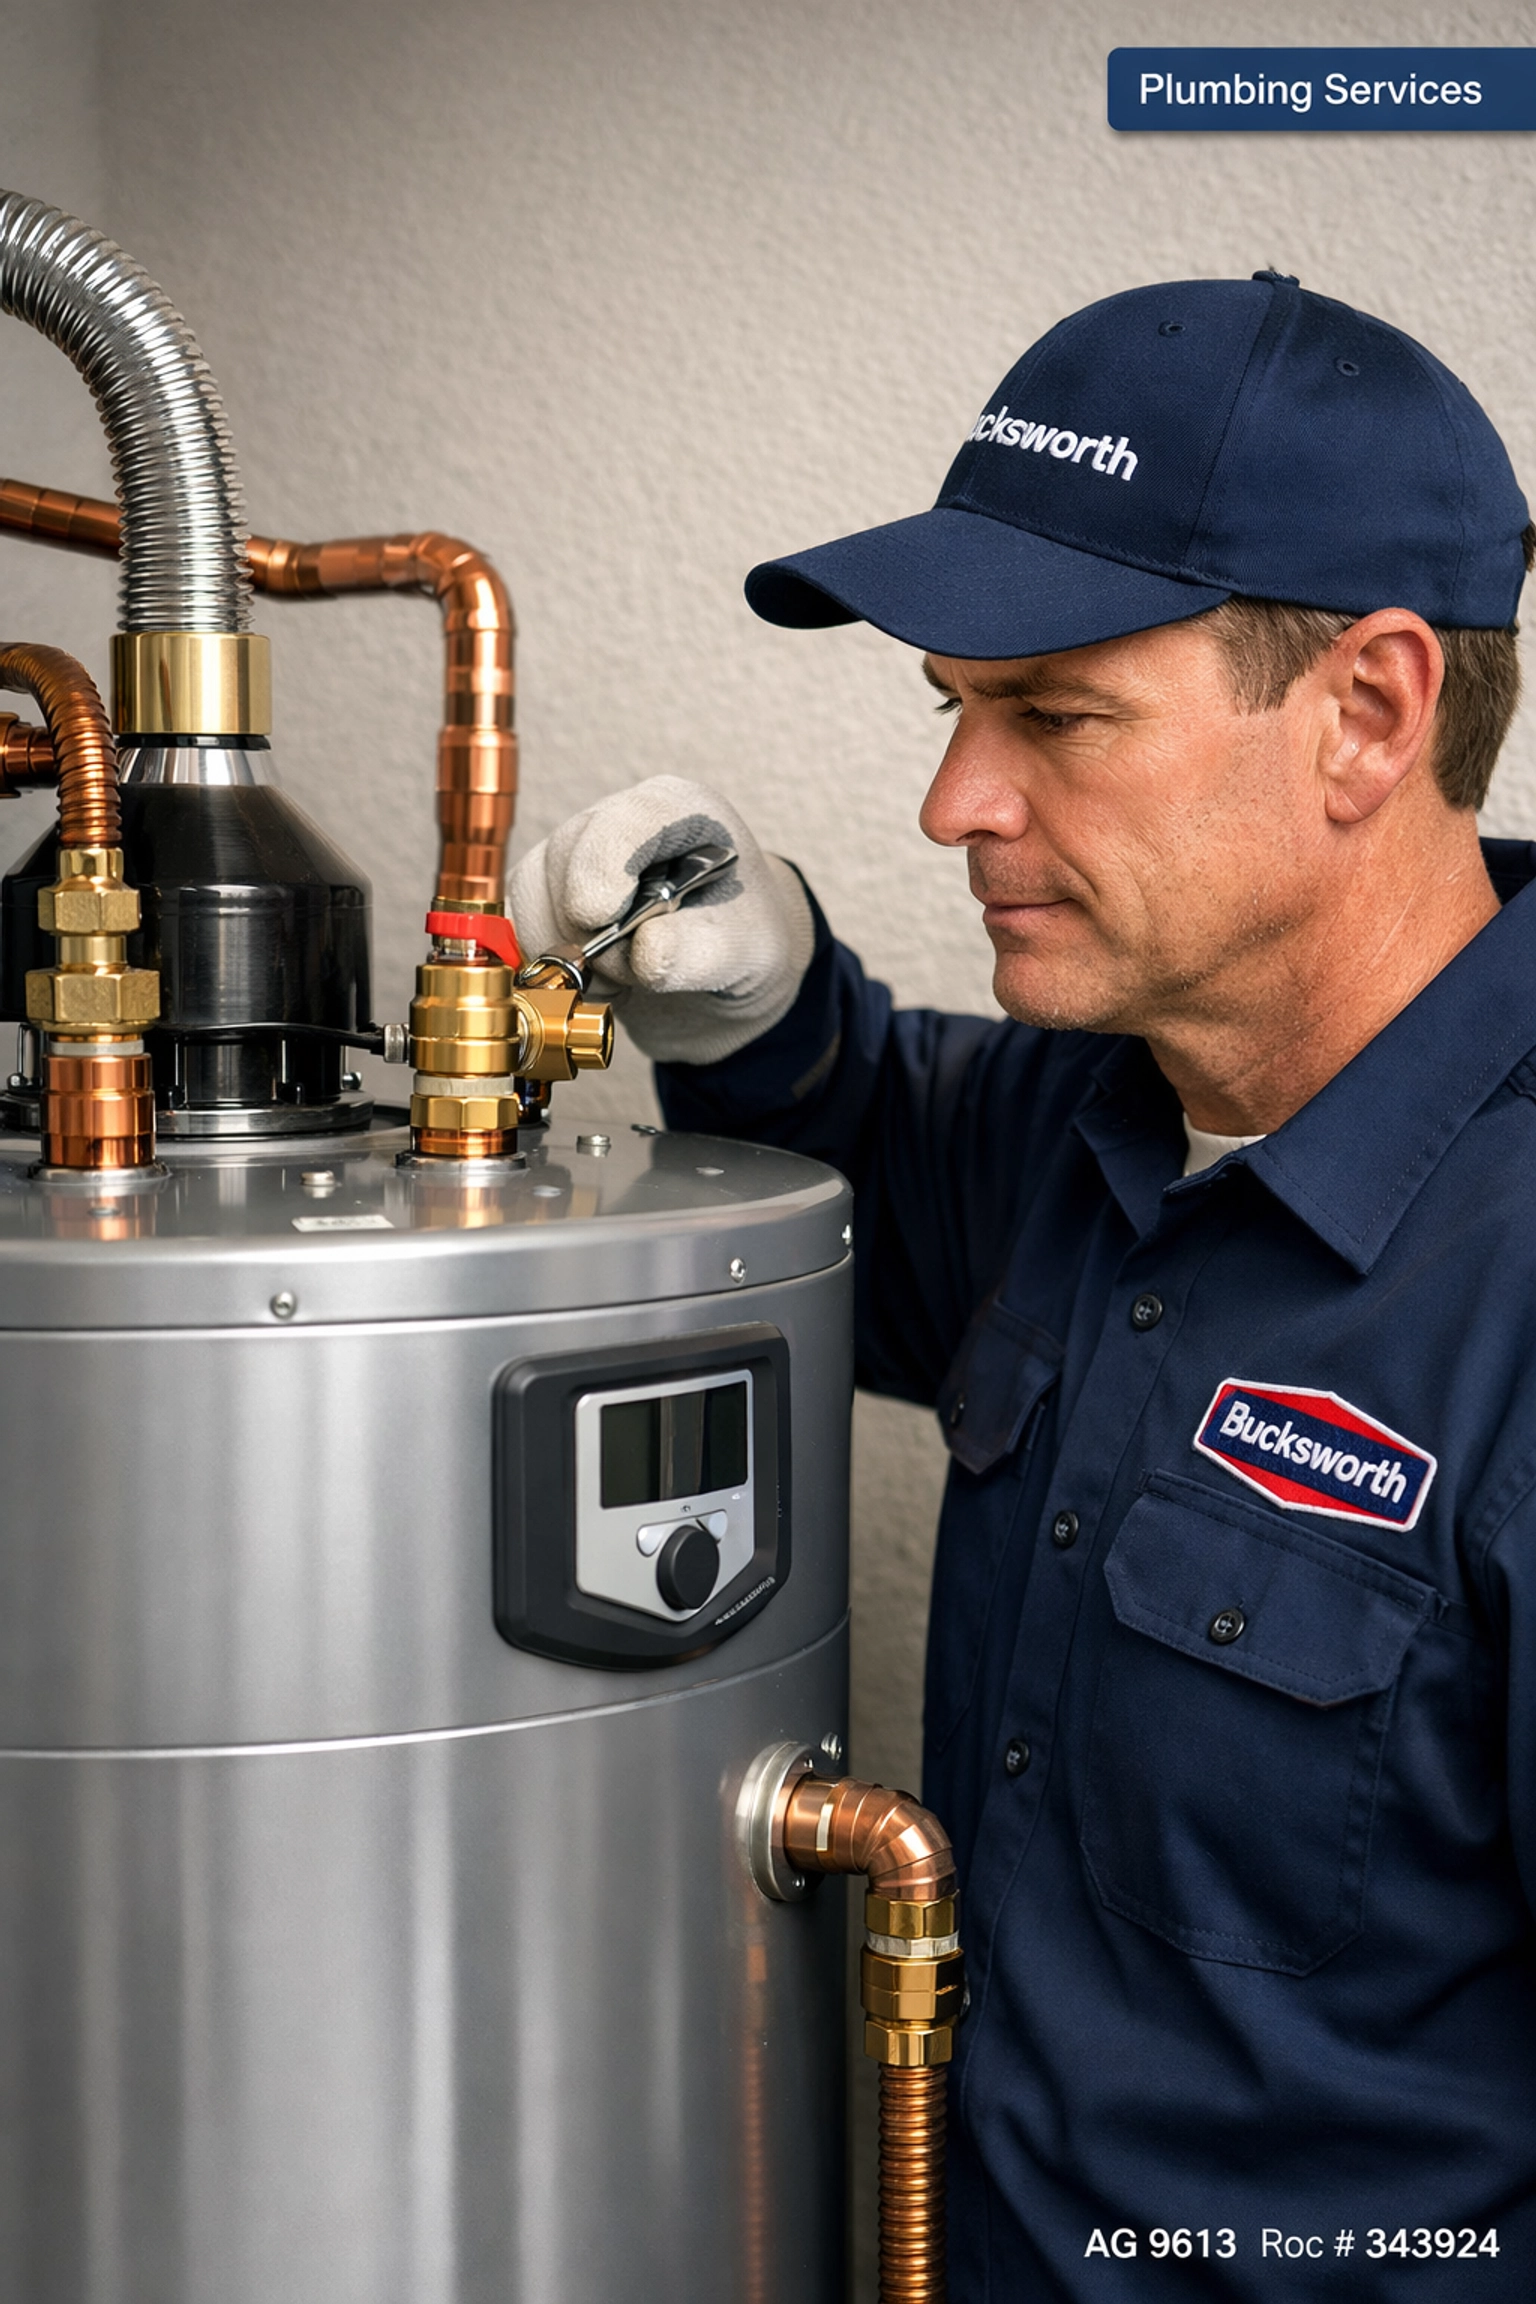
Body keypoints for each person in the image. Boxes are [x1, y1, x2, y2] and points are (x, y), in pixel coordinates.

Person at [511, 273, 1536, 2297]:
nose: (953, 807)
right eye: (954, 711)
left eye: (1056, 717)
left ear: (1370, 714)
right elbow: (875, 1135)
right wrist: (763, 988)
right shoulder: (1097, 1124)